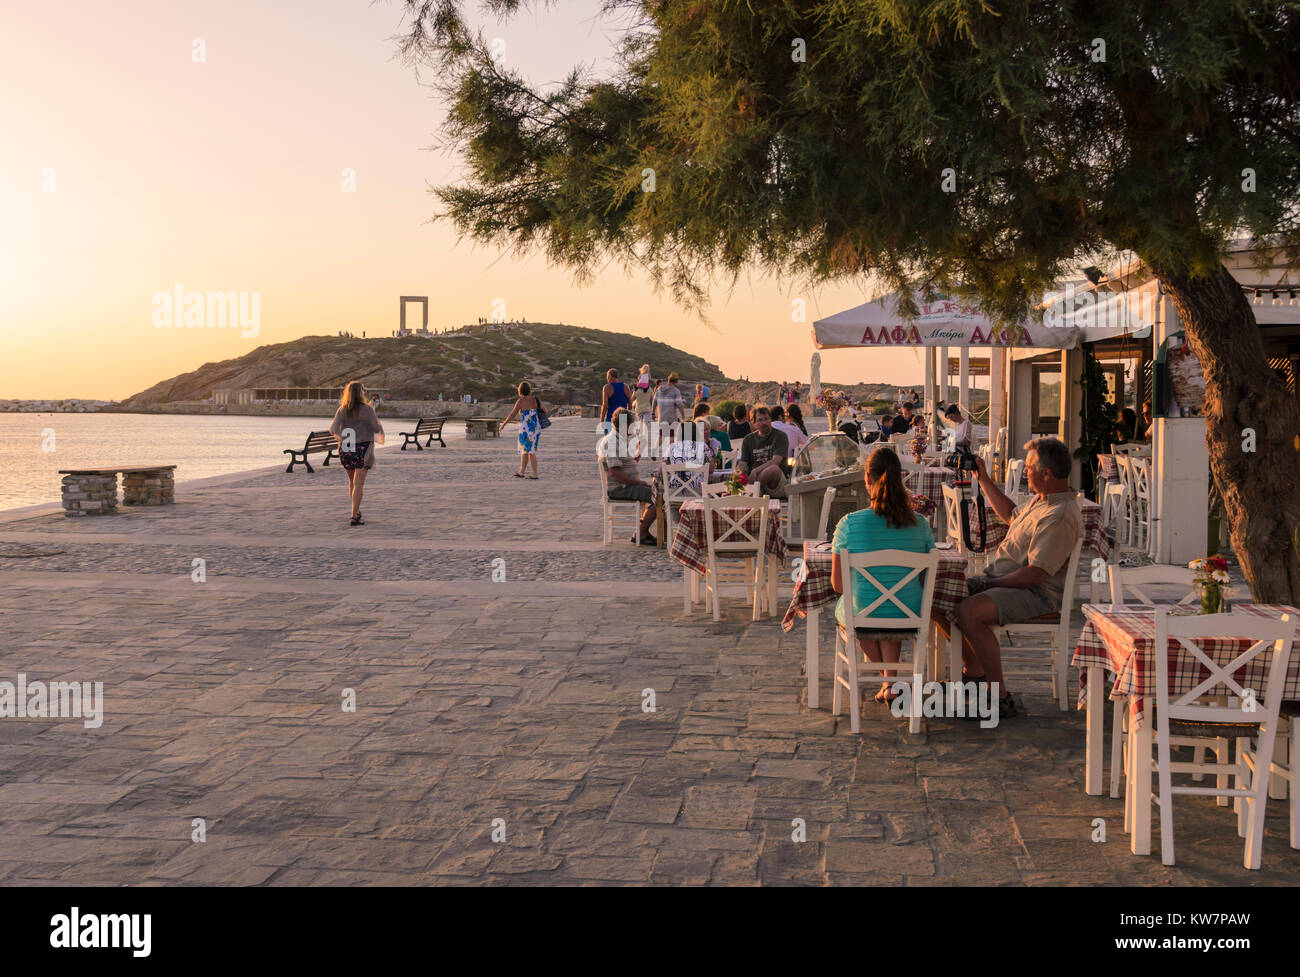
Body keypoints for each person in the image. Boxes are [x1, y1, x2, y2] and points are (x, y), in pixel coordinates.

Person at [937, 437, 1083, 718]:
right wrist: (984, 479)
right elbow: (1011, 516)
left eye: (1028, 468)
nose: (1025, 472)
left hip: (1038, 594)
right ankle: (975, 671)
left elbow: (1035, 574)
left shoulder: (1059, 515)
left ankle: (998, 696)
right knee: (938, 593)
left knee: (969, 611)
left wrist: (987, 584)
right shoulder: (1042, 501)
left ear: (1047, 474)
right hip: (1007, 582)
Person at [829, 447, 935, 702]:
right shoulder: (920, 523)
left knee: (855, 607)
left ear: (867, 478)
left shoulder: (849, 524)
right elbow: (924, 577)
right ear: (900, 478)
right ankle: (891, 683)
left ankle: (890, 682)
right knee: (891, 601)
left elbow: (838, 584)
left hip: (864, 613)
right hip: (908, 612)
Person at [598, 407, 658, 545]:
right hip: (621, 487)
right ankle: (641, 533)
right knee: (660, 496)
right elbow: (615, 472)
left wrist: (639, 451)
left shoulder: (620, 439)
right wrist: (638, 483)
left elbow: (627, 463)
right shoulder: (612, 442)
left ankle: (649, 533)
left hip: (627, 484)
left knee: (660, 493)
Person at [329, 381, 385, 527]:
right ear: (361, 392)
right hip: (362, 448)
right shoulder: (367, 409)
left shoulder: (342, 409)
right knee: (359, 483)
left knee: (352, 482)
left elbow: (333, 429)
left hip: (347, 449)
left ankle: (356, 511)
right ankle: (354, 515)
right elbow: (374, 428)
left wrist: (343, 438)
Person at [737, 407, 791, 497]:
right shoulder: (748, 439)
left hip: (775, 484)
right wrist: (738, 474)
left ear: (771, 420)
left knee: (773, 469)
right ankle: (748, 491)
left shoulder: (780, 436)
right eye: (760, 420)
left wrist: (755, 471)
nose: (764, 422)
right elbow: (743, 462)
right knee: (737, 471)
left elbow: (776, 462)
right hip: (755, 481)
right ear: (754, 423)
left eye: (766, 419)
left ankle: (749, 492)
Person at [502, 380, 543, 479]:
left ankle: (535, 474)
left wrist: (503, 424)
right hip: (535, 428)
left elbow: (512, 414)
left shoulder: (520, 401)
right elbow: (544, 410)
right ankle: (521, 471)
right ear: (529, 390)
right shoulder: (536, 400)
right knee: (525, 450)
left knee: (530, 451)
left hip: (526, 429)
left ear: (520, 390)